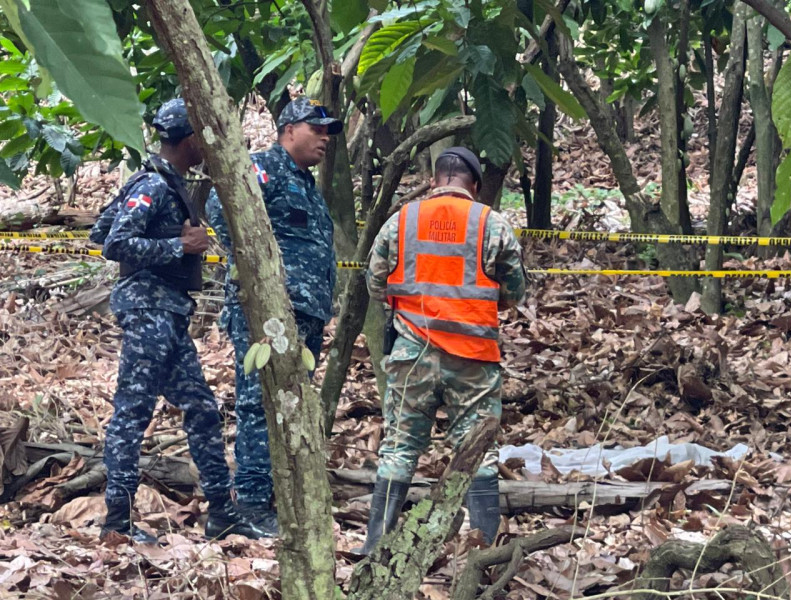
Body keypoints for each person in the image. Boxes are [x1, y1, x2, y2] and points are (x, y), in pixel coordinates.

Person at [95, 99, 270, 543]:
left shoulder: (167, 182)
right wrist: (179, 245)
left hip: (169, 312)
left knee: (202, 409)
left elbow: (103, 226)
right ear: (190, 140)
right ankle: (117, 519)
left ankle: (222, 513)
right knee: (133, 412)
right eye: (201, 140)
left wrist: (172, 240)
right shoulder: (154, 183)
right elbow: (114, 242)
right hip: (148, 310)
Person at [360, 146, 527, 554]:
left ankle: (374, 550)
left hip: (411, 353)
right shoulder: (492, 224)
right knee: (478, 453)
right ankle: (482, 554)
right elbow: (515, 291)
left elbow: (375, 283)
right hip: (473, 357)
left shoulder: (401, 221)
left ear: (435, 180)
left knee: (398, 448)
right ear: (474, 184)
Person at [205, 97, 341, 530]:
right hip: (268, 309)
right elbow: (218, 207)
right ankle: (249, 501)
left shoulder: (305, 184)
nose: (324, 138)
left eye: (328, 132)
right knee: (258, 401)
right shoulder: (265, 167)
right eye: (316, 129)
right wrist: (255, 272)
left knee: (291, 401)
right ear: (288, 130)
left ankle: (282, 494)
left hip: (305, 312)